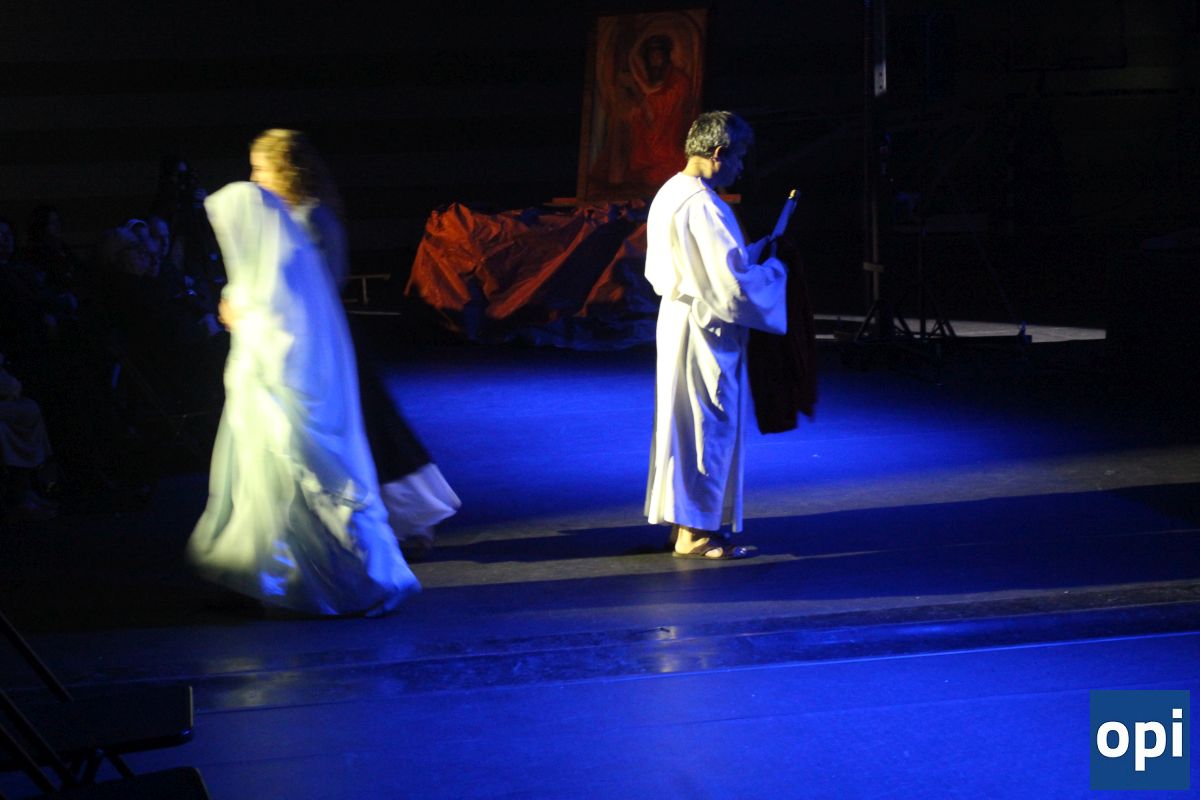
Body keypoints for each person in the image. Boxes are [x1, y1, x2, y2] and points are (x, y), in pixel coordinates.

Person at [187, 180, 419, 616]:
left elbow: (287, 341)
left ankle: (343, 581)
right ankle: (267, 575)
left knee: (302, 493)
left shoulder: (284, 270)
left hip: (283, 406)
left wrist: (245, 323)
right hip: (259, 407)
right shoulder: (260, 271)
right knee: (265, 497)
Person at [247, 128, 459, 558]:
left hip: (327, 341)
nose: (254, 179)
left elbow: (315, 287)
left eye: (260, 169)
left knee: (368, 428)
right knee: (356, 430)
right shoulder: (299, 216)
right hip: (319, 338)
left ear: (284, 170)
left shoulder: (311, 218)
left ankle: (411, 519)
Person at [644, 111, 788, 559]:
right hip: (705, 328)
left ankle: (685, 522)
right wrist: (774, 272)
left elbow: (712, 266)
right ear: (719, 153)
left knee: (683, 426)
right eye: (739, 157)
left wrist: (751, 255)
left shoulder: (671, 191)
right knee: (708, 425)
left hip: (679, 318)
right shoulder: (703, 205)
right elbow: (730, 287)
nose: (741, 167)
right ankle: (694, 532)